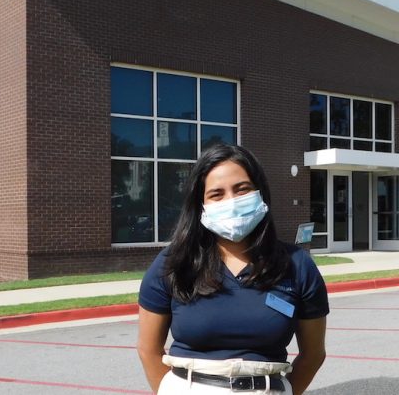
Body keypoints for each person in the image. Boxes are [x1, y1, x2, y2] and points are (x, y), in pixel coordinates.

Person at [137, 144, 328, 394]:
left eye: (242, 189)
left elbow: (313, 355)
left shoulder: (297, 265)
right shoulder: (173, 263)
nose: (232, 201)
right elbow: (148, 350)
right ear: (201, 205)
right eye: (217, 194)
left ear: (260, 192)